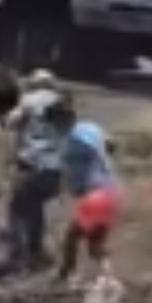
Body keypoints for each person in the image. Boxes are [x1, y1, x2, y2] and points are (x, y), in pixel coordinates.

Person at [0, 71, 67, 280]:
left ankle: (15, 260)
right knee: (37, 211)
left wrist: (2, 115)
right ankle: (36, 255)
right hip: (56, 171)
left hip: (31, 167)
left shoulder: (28, 101)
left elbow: (10, 123)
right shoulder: (64, 105)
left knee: (16, 213)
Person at [51, 101, 121, 290]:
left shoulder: (75, 137)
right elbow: (112, 144)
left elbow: (88, 146)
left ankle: (66, 278)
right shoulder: (91, 127)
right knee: (94, 242)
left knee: (73, 238)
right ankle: (106, 278)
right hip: (110, 190)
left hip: (96, 194)